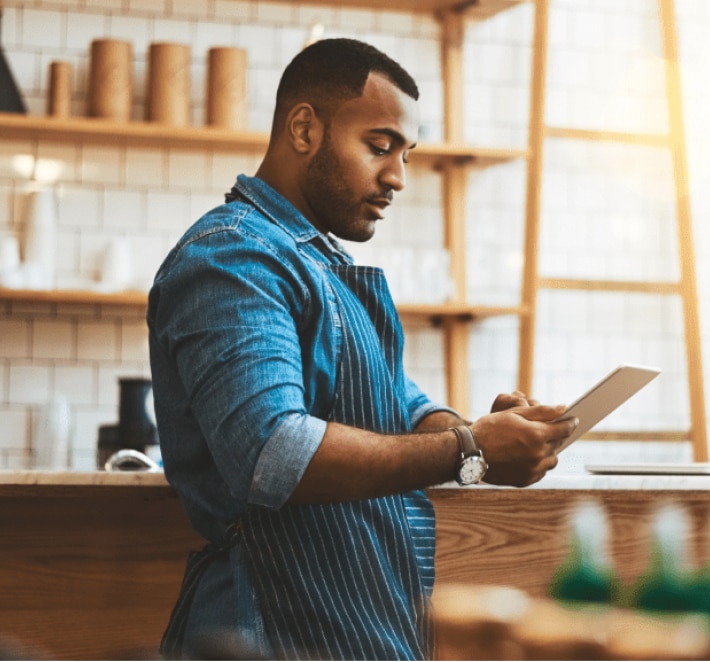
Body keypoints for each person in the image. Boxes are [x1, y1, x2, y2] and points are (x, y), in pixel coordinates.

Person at [147, 37, 577, 661]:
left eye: (405, 154)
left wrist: (479, 430)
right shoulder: (232, 257)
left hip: (355, 624)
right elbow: (273, 452)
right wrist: (470, 449)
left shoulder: (318, 262)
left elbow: (399, 404)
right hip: (271, 627)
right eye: (379, 146)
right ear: (303, 128)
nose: (398, 177)